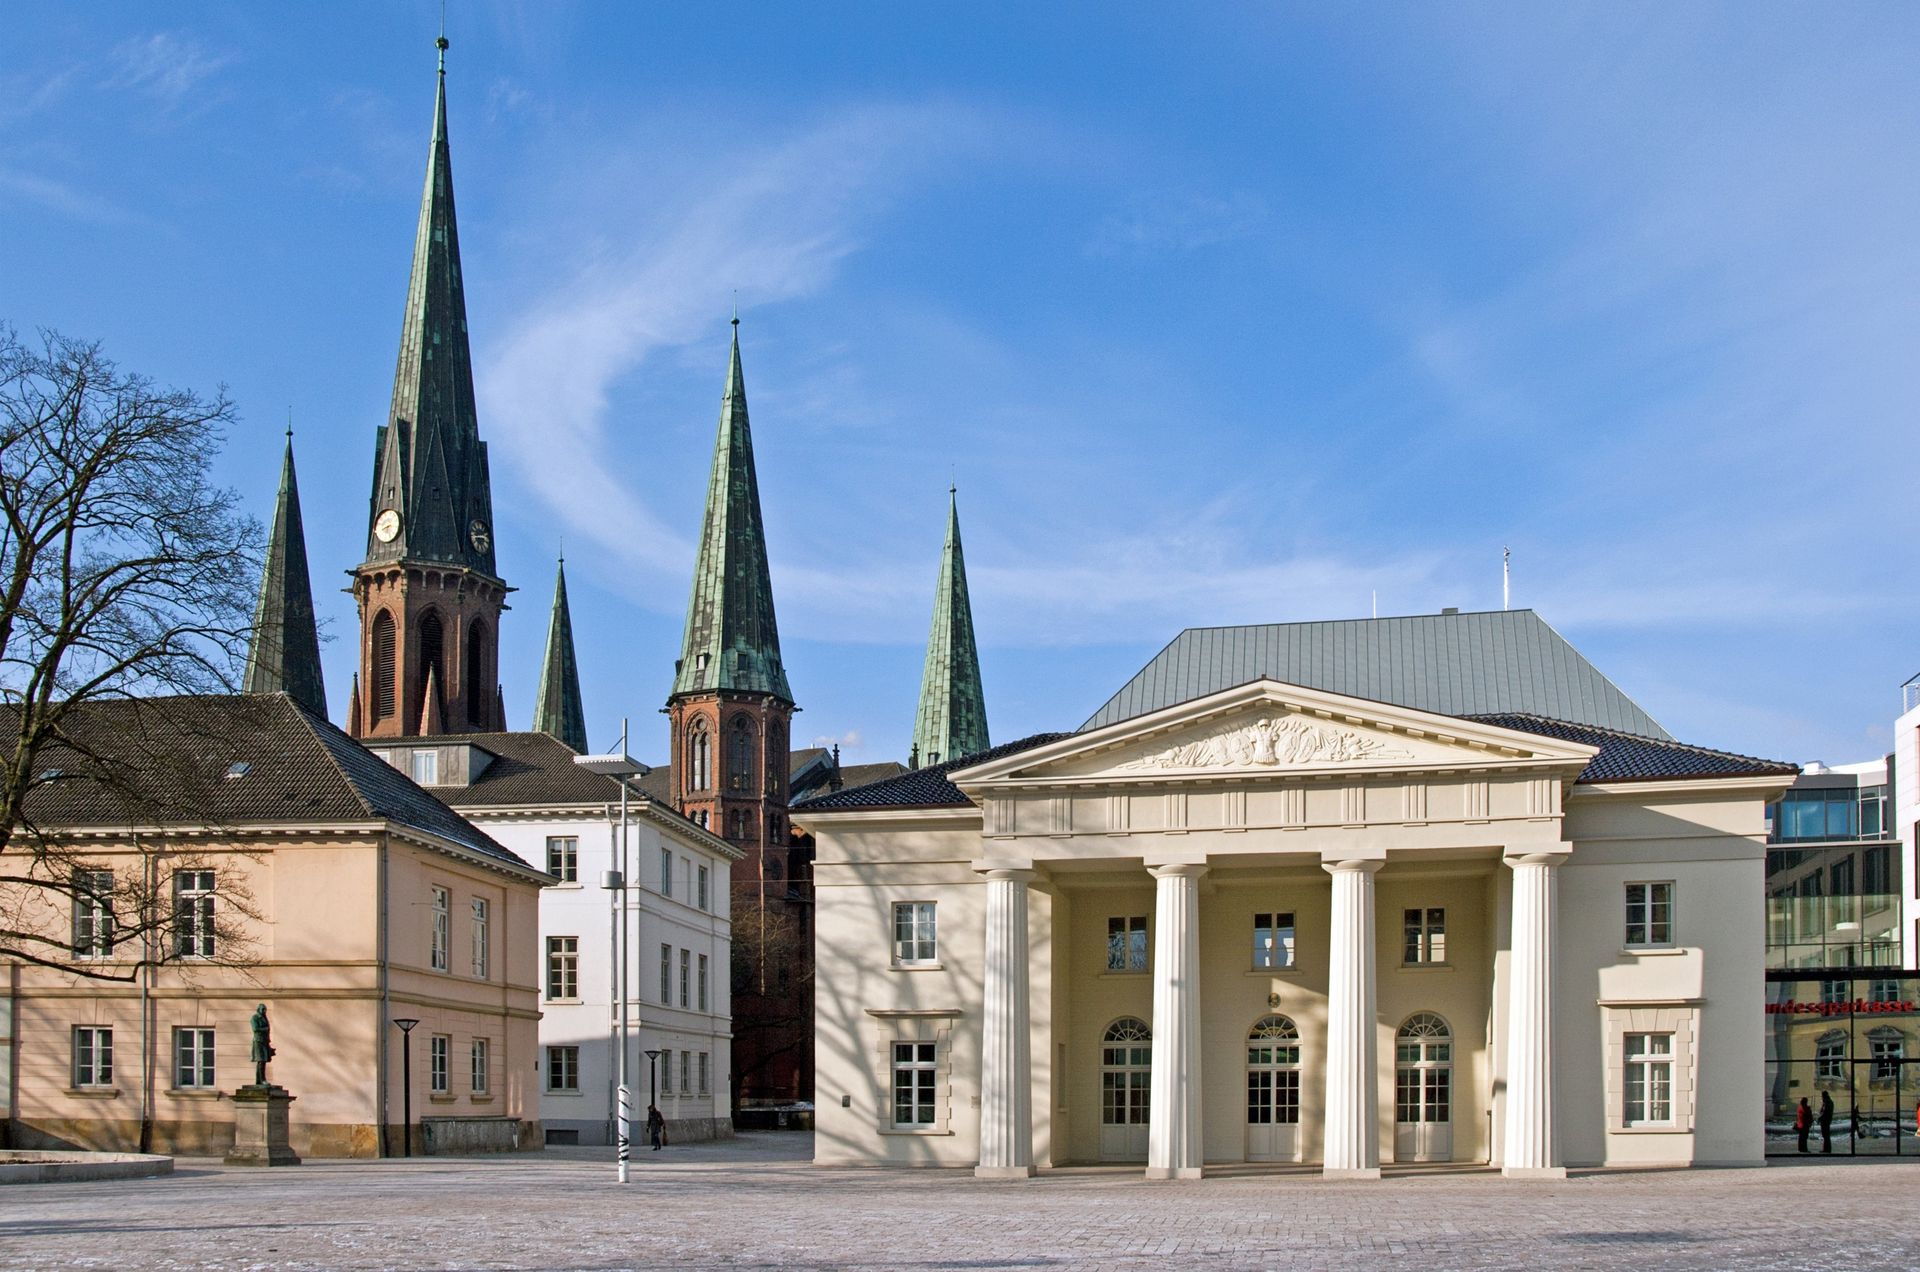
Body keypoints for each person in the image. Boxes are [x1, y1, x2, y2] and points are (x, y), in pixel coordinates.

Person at [1818, 1090, 1835, 1154]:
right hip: (1826, 1120)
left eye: (1822, 1096)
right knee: (1826, 1135)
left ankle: (1827, 1149)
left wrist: (1820, 1117)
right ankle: (1826, 1149)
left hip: (1825, 1120)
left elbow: (1825, 1112)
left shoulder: (1827, 1102)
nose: (1821, 1097)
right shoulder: (1828, 1102)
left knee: (1826, 1135)